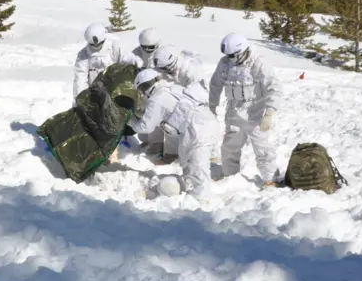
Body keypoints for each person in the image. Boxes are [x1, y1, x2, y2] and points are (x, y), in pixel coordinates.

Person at [127, 69, 217, 198]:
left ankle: (202, 200)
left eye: (142, 89)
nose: (142, 93)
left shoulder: (157, 98)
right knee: (188, 163)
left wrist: (130, 120)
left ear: (147, 86)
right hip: (205, 124)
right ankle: (189, 192)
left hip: (198, 130)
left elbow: (145, 127)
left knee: (197, 167)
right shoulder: (174, 88)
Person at [208, 33, 280, 187]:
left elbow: (274, 87)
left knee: (262, 148)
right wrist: (212, 105)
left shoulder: (259, 62)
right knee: (229, 147)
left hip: (256, 112)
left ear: (243, 51)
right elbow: (215, 85)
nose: (230, 59)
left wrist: (269, 112)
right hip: (234, 110)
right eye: (228, 56)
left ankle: (271, 179)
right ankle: (230, 175)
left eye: (233, 56)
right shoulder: (225, 63)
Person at [73, 23, 139, 102]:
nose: (96, 47)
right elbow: (80, 79)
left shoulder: (115, 47)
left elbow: (129, 60)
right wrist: (81, 99)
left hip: (117, 90)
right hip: (95, 93)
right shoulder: (83, 55)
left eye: (100, 44)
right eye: (93, 45)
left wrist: (137, 65)